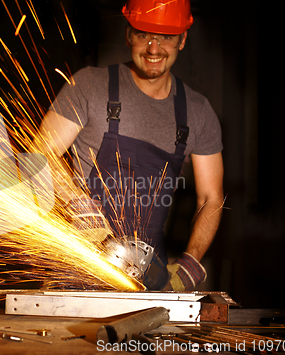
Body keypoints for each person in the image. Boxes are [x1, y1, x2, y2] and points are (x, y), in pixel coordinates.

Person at [36, 0, 224, 291]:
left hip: (148, 281)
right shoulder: (90, 86)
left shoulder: (198, 112)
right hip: (77, 271)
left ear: (183, 39)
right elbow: (40, 154)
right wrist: (78, 202)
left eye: (166, 37)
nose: (153, 48)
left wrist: (191, 262)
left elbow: (211, 197)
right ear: (128, 35)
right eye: (143, 34)